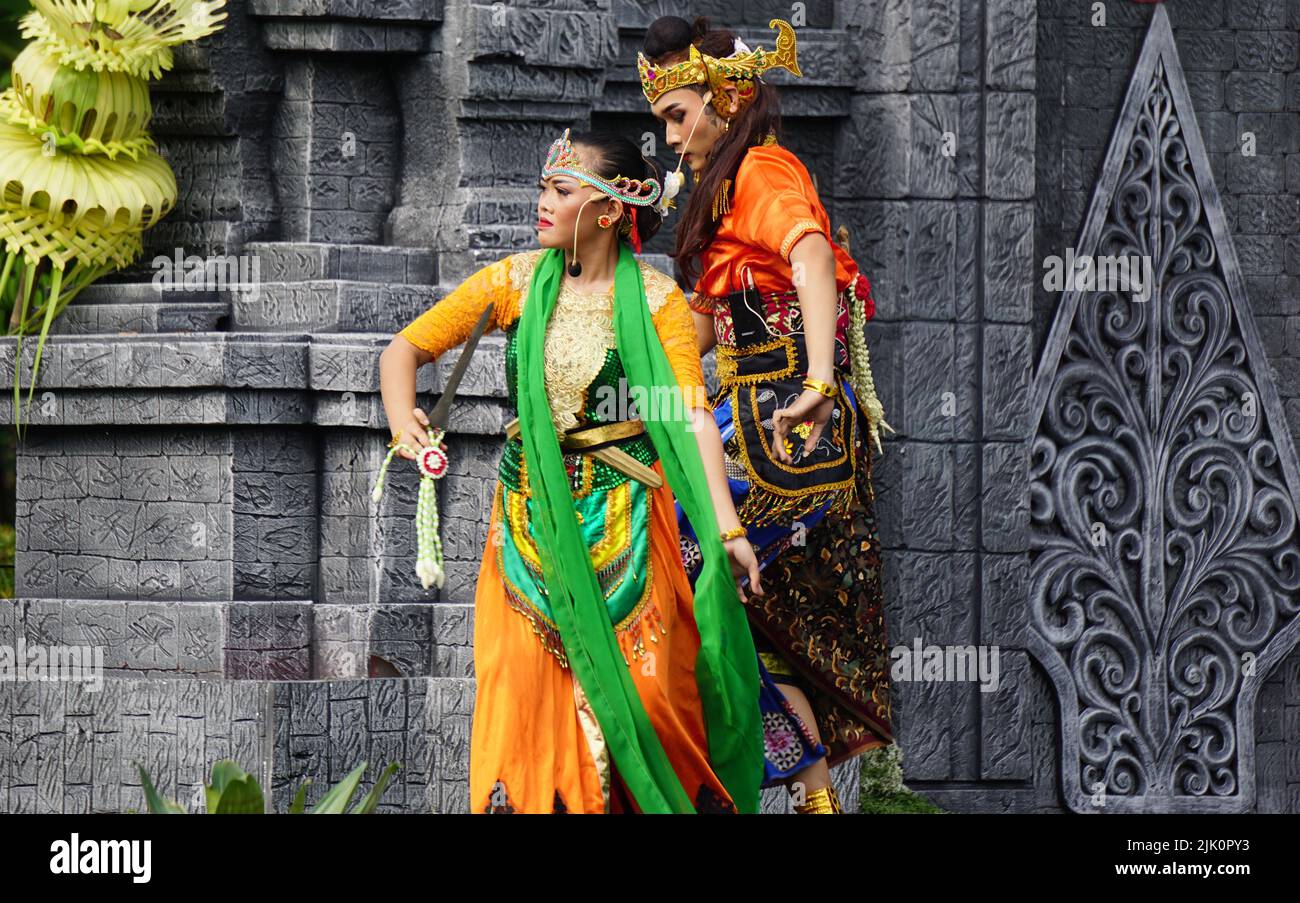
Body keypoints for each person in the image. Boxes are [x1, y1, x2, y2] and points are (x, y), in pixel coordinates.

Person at [378, 128, 766, 813]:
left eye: (561, 189)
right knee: (525, 706)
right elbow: (406, 350)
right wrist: (404, 417)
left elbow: (692, 416)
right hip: (529, 521)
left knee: (647, 700)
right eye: (543, 187)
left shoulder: (655, 302)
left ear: (611, 210)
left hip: (627, 522)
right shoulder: (514, 282)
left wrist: (727, 529)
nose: (543, 201)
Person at [638, 15, 895, 814]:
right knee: (733, 597)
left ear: (724, 100)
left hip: (787, 425)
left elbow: (813, 257)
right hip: (751, 412)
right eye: (665, 125)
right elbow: (705, 329)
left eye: (679, 118)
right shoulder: (727, 193)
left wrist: (819, 378)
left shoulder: (763, 170)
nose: (673, 141)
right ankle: (813, 793)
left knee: (667, 545)